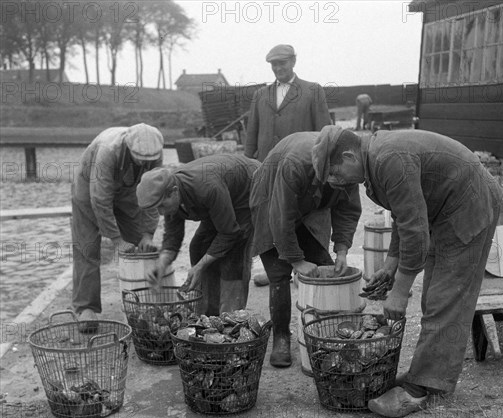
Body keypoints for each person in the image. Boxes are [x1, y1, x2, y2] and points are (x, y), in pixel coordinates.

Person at [322, 125, 503, 418]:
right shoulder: (373, 161)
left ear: (348, 156)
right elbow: (404, 215)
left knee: (445, 297)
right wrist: (390, 265)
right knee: (435, 294)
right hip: (445, 207)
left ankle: (420, 390)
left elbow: (416, 232)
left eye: (335, 173)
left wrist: (400, 292)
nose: (335, 181)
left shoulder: (388, 159)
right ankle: (425, 374)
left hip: (468, 203)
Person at [250, 129, 362, 368]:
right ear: (323, 168)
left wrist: (342, 249)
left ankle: (327, 333)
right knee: (279, 272)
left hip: (309, 203)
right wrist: (297, 261)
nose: (336, 177)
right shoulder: (295, 164)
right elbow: (280, 217)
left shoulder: (347, 167)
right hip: (270, 198)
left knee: (325, 265)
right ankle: (281, 336)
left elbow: (348, 210)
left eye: (336, 175)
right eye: (330, 175)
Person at [245, 43, 333, 286]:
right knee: (272, 216)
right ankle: (278, 267)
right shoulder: (261, 95)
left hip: (302, 167)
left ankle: (302, 269)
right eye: (273, 64)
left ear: (293, 61)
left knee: (305, 216)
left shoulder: (312, 91)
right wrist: (249, 161)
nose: (278, 68)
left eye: (282, 63)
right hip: (268, 168)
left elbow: (324, 132)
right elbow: (252, 133)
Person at [136, 154, 261, 315]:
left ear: (174, 192)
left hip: (250, 189)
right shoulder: (169, 193)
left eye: (162, 206)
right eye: (156, 208)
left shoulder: (207, 188)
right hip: (223, 196)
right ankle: (209, 314)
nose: (161, 213)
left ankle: (231, 318)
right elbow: (172, 237)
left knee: (233, 256)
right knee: (198, 247)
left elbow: (229, 233)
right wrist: (161, 265)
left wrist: (200, 267)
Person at [71, 123, 164, 332]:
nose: (146, 163)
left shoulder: (155, 154)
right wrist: (117, 240)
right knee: (88, 247)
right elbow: (100, 200)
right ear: (129, 148)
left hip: (127, 190)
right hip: (89, 189)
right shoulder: (108, 151)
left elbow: (153, 193)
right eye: (141, 159)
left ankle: (142, 300)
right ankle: (85, 307)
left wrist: (148, 234)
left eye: (150, 160)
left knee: (141, 244)